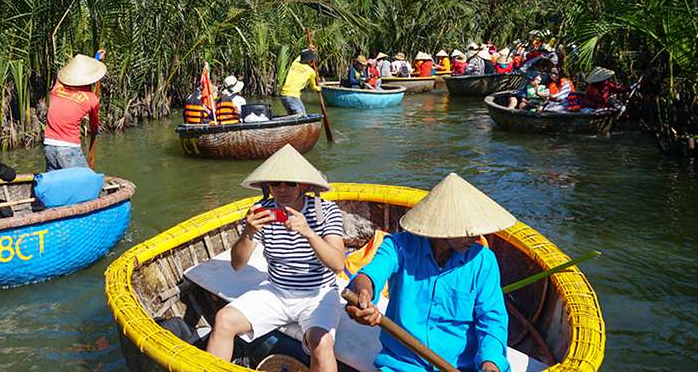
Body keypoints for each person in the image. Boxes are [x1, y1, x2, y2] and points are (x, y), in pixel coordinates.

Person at [345, 172, 514, 372]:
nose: (476, 237)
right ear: (443, 227)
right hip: (404, 365)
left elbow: (492, 320)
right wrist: (363, 294)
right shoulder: (399, 247)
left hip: (463, 367)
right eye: (467, 230)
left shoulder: (483, 261)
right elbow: (369, 276)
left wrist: (490, 363)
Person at [206, 145, 344, 372]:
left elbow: (338, 264)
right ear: (267, 187)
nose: (282, 189)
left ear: (305, 185)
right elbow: (237, 264)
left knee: (322, 342)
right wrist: (248, 232)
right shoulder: (261, 212)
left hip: (317, 293)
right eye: (275, 183)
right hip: (276, 290)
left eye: (290, 183)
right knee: (223, 320)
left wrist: (309, 233)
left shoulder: (325, 211)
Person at [44, 53, 107, 171]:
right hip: (69, 149)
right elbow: (94, 126)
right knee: (84, 183)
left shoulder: (56, 88)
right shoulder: (92, 99)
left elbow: (68, 76)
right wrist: (96, 61)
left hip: (49, 147)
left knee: (56, 184)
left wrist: (96, 59)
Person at [281, 48, 321, 115]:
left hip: (283, 95)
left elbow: (301, 55)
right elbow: (313, 87)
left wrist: (309, 49)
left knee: (293, 116)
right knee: (302, 116)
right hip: (292, 96)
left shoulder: (294, 64)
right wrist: (318, 88)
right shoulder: (311, 72)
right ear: (311, 61)